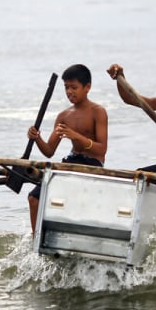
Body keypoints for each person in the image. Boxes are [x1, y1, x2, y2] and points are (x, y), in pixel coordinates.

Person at [26, 64, 108, 233]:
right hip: (70, 163)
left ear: (87, 87)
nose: (69, 92)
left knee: (72, 200)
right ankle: (36, 240)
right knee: (34, 198)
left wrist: (76, 136)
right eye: (66, 87)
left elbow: (101, 150)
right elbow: (49, 151)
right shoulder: (64, 116)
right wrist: (36, 138)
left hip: (92, 165)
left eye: (74, 87)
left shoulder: (98, 112)